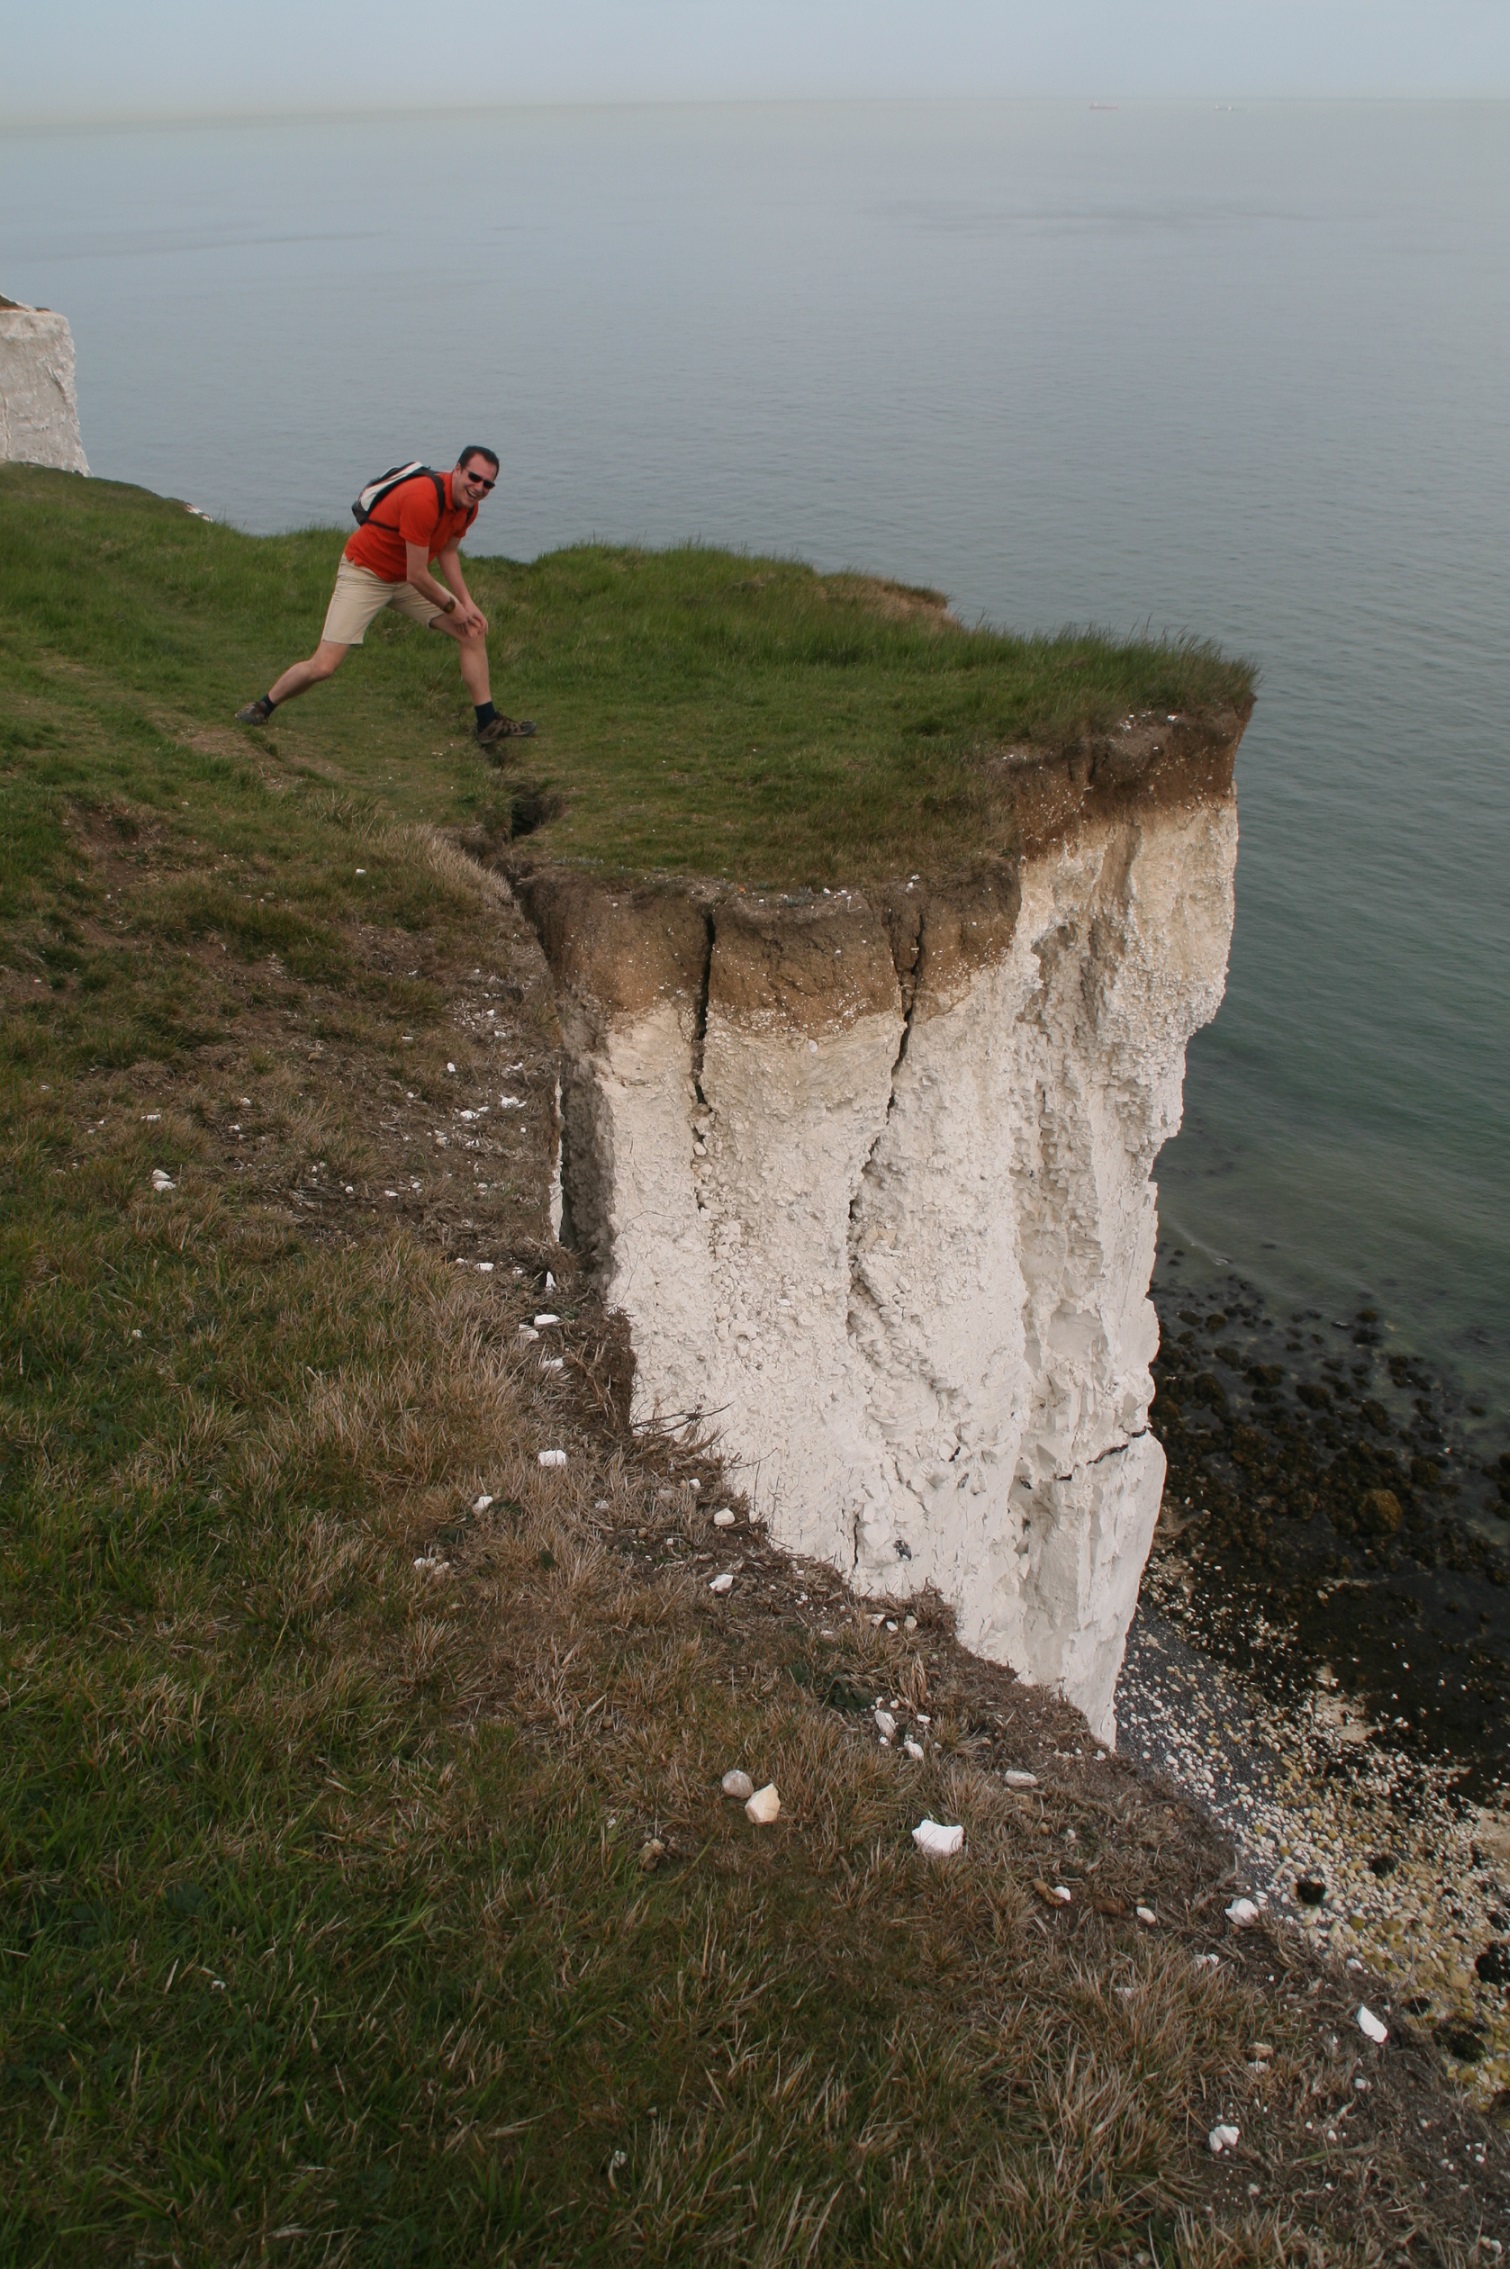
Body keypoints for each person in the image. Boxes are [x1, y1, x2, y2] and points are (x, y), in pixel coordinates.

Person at [235, 447, 535, 747]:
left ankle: (487, 723)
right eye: (474, 477)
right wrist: (452, 607)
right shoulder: (424, 498)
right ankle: (263, 706)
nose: (479, 488)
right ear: (457, 469)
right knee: (324, 665)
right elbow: (418, 574)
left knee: (472, 632)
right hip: (365, 572)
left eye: (488, 484)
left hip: (403, 578)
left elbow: (448, 551)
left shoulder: (468, 506)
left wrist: (467, 604)